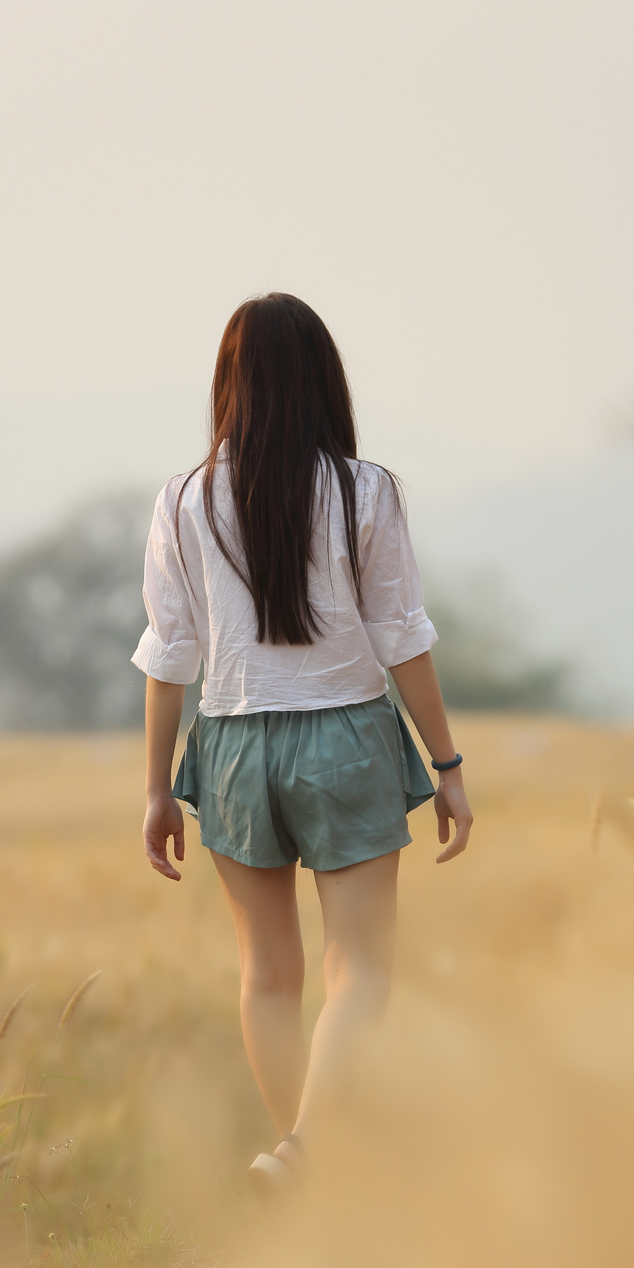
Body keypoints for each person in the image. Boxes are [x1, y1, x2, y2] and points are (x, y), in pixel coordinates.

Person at [133, 293, 472, 1196]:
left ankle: (304, 1169)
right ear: (324, 379)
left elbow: (167, 659)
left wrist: (159, 789)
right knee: (359, 967)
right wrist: (448, 766)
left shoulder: (181, 501)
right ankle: (309, 1148)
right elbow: (402, 634)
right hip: (348, 738)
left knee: (267, 976)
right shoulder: (366, 490)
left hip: (233, 746)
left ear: (228, 382)